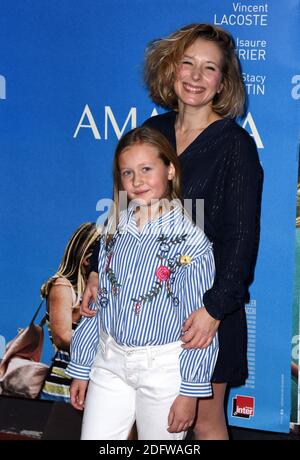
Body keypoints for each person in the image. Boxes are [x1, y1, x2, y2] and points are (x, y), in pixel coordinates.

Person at [83, 23, 263, 440]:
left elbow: (241, 238)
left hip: (200, 310)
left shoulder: (235, 145)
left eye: (209, 68)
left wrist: (215, 309)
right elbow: (120, 213)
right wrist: (95, 269)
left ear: (223, 82)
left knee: (202, 417)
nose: (196, 77)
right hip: (139, 309)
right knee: (134, 422)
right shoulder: (152, 133)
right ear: (171, 69)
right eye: (188, 63)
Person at [66, 126, 218, 440]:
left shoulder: (191, 242)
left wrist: (190, 391)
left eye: (147, 169)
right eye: (127, 172)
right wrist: (81, 365)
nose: (137, 181)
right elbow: (102, 304)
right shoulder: (112, 226)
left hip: (163, 370)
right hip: (109, 363)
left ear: (171, 169)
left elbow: (198, 327)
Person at [39, 222, 100, 402]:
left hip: (93, 383)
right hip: (63, 385)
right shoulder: (63, 287)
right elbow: (62, 337)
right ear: (88, 260)